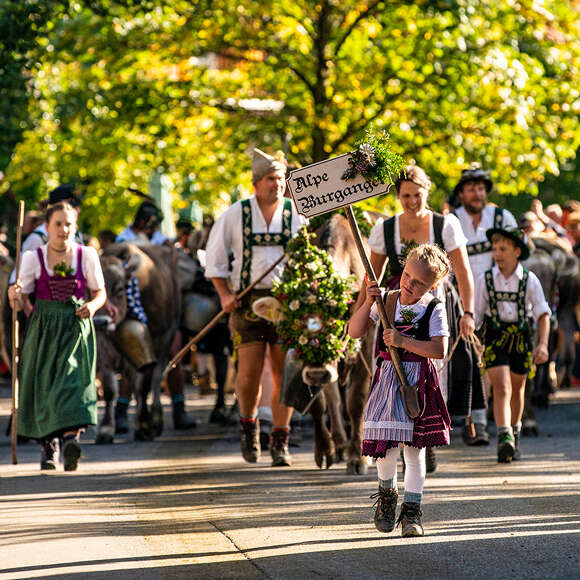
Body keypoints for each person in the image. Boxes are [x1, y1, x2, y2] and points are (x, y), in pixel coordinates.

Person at [366, 164, 483, 464]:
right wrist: (359, 310)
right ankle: (396, 433)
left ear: (426, 192)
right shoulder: (385, 228)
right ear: (398, 196)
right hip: (394, 305)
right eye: (406, 196)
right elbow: (371, 276)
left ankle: (425, 435)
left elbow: (464, 272)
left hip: (433, 303)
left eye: (417, 195)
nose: (412, 201)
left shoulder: (445, 225)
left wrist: (468, 312)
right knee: (391, 366)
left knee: (433, 369)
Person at [205, 148, 307, 466]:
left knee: (283, 373)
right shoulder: (235, 214)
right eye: (270, 179)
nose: (277, 184)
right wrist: (224, 295)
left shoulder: (295, 215)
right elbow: (215, 261)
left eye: (280, 178)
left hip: (285, 302)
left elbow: (308, 263)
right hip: (247, 302)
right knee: (247, 374)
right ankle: (249, 427)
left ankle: (280, 441)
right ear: (255, 182)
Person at [349, 244, 451, 538]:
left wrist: (403, 342)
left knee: (414, 452)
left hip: (415, 383)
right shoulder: (387, 301)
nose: (409, 283)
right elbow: (355, 331)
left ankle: (412, 511)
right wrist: (367, 302)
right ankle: (387, 495)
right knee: (387, 448)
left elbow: (439, 349)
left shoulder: (432, 307)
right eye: (407, 275)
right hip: (387, 381)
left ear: (433, 285)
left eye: (418, 282)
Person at [8, 202, 107, 471]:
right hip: (44, 329)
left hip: (75, 328)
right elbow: (21, 294)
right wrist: (15, 296)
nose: (64, 230)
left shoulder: (86, 255)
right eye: (58, 224)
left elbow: (100, 292)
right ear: (47, 226)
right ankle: (49, 447)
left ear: (75, 227)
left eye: (69, 224)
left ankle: (70, 441)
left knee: (74, 384)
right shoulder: (32, 258)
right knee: (46, 386)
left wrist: (93, 306)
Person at [451, 166, 518, 438]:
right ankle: (470, 416)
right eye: (470, 189)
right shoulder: (451, 220)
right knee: (464, 357)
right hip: (461, 297)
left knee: (491, 357)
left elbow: (519, 253)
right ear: (461, 193)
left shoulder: (502, 217)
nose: (476, 193)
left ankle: (486, 418)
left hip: (497, 298)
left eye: (480, 188)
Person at [474, 226, 550, 462]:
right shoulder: (484, 280)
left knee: (518, 389)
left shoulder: (529, 280)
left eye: (503, 249)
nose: (497, 253)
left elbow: (543, 314)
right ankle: (504, 435)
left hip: (521, 339)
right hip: (495, 338)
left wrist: (543, 345)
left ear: (517, 251)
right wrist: (475, 343)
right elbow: (476, 316)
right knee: (502, 388)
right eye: (495, 248)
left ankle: (513, 435)